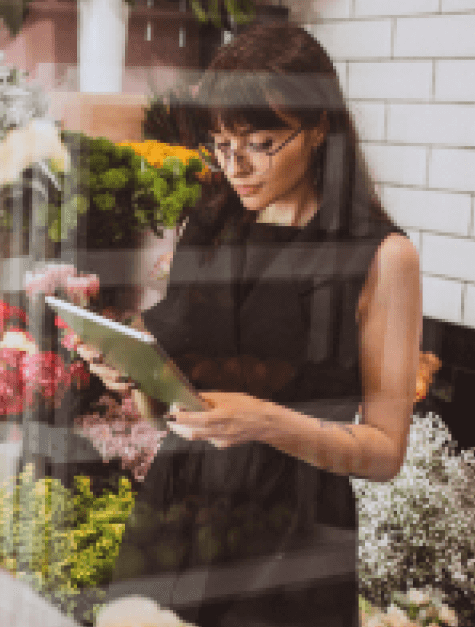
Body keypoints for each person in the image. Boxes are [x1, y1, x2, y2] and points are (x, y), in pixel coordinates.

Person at [85, 22, 422, 627]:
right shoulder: (212, 223)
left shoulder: (380, 255)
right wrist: (132, 374)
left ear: (319, 128)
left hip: (290, 533)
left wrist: (266, 422)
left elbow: (384, 452)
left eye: (259, 142)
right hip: (177, 507)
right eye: (219, 142)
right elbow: (168, 413)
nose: (234, 165)